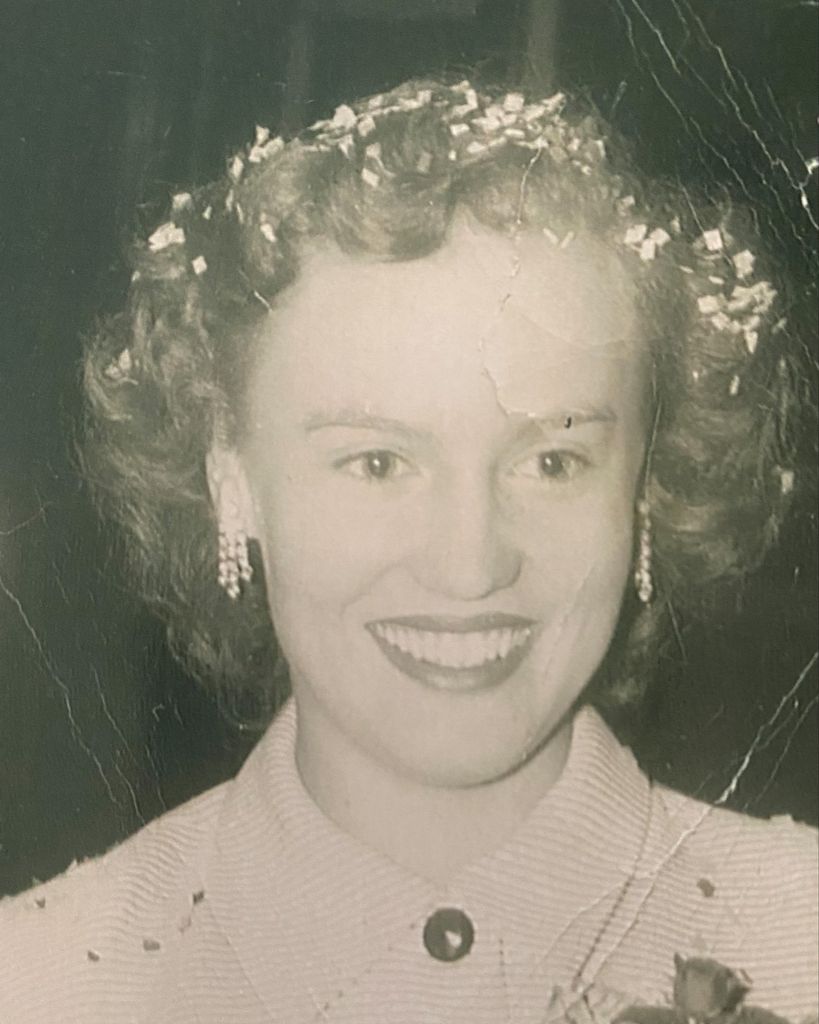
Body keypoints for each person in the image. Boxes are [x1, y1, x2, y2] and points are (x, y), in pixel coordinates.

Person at [0, 78, 815, 1024]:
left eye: (551, 462)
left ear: (644, 488)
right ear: (233, 483)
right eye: (378, 462)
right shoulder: (40, 981)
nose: (469, 566)